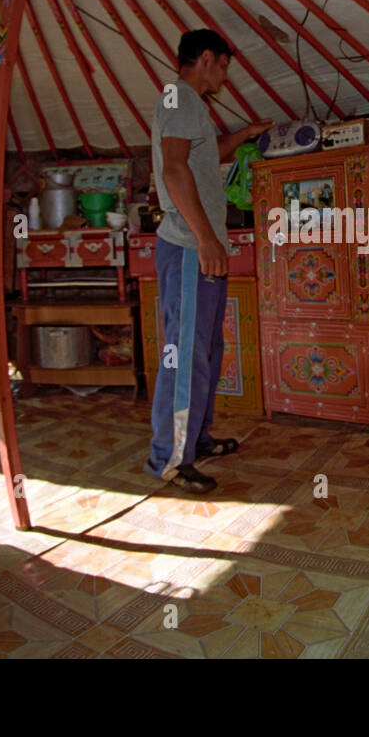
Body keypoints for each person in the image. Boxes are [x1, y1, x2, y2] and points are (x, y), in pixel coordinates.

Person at [147, 29, 273, 493]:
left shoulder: (190, 105)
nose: (224, 76)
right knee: (184, 355)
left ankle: (193, 439)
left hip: (196, 244)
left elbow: (201, 157)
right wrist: (205, 238)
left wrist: (243, 136)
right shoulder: (178, 98)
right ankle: (170, 459)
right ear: (205, 58)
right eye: (222, 65)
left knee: (205, 351)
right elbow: (175, 167)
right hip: (186, 245)